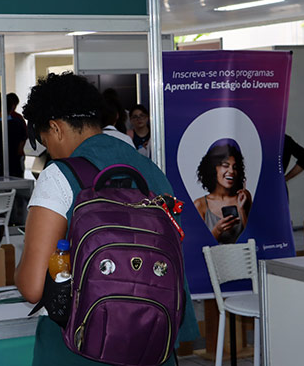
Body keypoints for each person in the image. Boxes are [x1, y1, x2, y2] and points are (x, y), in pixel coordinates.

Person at [14, 72, 197, 366]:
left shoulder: (59, 175)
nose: (51, 151)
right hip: (154, 339)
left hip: (80, 345)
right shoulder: (150, 172)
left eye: (46, 141)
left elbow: (33, 287)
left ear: (55, 128)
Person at [193, 139, 252, 244]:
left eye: (235, 167)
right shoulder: (200, 205)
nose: (231, 171)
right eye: (225, 165)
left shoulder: (244, 197)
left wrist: (242, 210)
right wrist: (217, 230)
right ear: (212, 168)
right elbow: (198, 245)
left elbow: (253, 238)